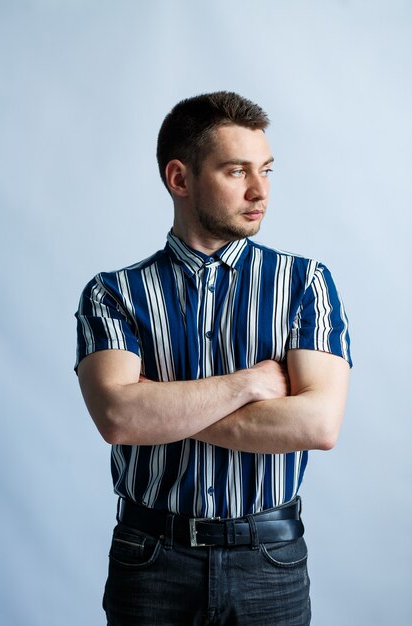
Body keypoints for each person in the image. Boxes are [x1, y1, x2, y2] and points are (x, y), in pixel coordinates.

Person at [75, 91, 352, 625]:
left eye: (266, 170)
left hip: (268, 561)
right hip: (151, 559)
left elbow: (319, 423)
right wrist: (249, 384)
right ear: (180, 179)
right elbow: (118, 418)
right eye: (235, 171)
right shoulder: (113, 295)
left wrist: (160, 408)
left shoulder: (303, 284)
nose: (260, 190)